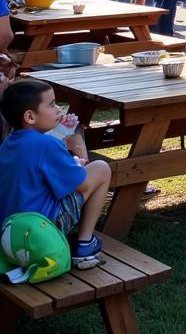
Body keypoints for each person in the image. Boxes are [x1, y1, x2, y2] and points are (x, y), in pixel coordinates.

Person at [0, 78, 112, 269]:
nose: (58, 109)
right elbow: (83, 185)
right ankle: (85, 245)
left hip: (10, 232)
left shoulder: (8, 144)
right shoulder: (47, 145)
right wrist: (78, 158)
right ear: (30, 117)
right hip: (41, 230)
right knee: (101, 168)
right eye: (51, 105)